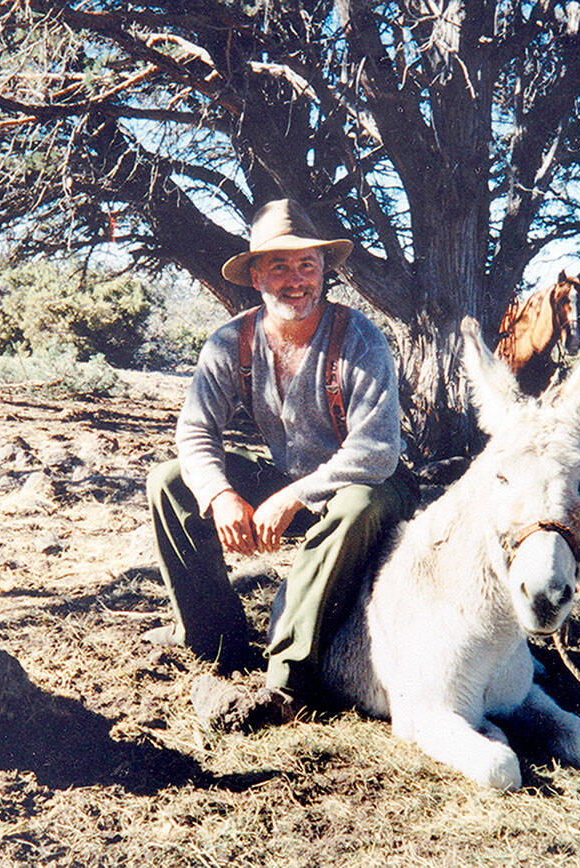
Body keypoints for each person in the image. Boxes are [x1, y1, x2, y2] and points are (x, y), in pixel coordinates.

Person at [145, 199, 415, 726]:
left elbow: (377, 451)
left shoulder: (360, 339)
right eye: (279, 266)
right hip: (288, 477)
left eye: (307, 265)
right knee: (171, 482)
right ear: (255, 276)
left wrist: (293, 497)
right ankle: (212, 642)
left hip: (372, 484)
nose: (296, 279)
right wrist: (221, 496)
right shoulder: (230, 343)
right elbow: (196, 431)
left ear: (324, 272)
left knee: (356, 504)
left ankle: (290, 678)